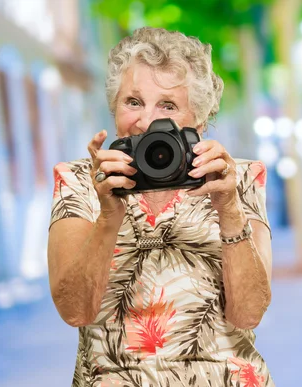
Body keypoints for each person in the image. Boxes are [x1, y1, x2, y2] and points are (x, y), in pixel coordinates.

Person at [48, 27, 274, 386]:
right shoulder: (80, 181)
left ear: (198, 122)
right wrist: (109, 216)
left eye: (167, 105)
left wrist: (229, 209)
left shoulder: (235, 178)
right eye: (133, 102)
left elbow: (248, 314)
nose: (147, 120)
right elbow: (75, 311)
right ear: (114, 106)